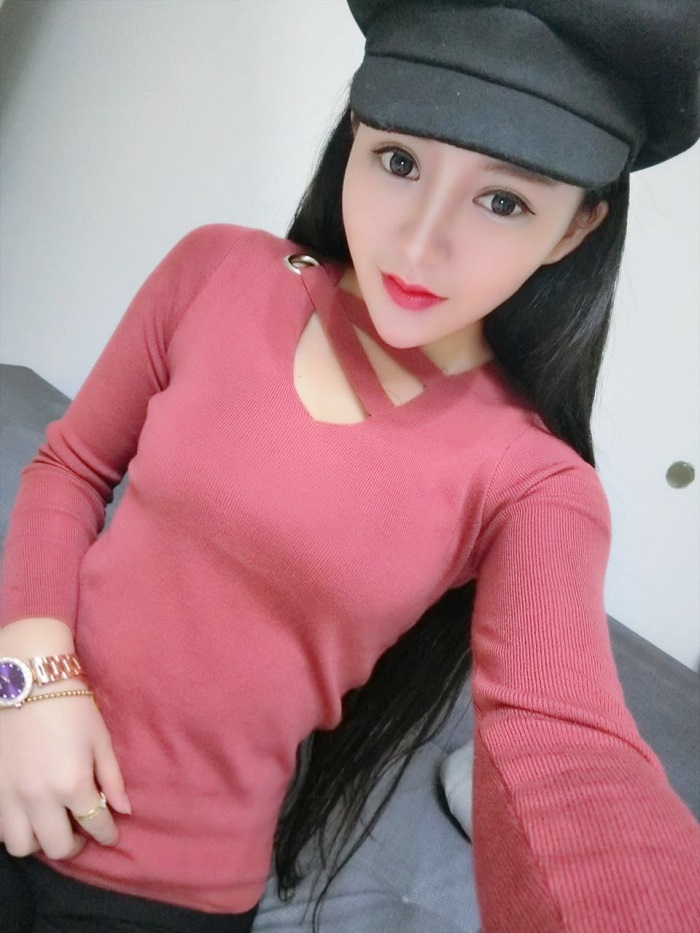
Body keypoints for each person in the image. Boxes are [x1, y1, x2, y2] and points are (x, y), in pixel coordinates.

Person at [1, 1, 699, 930]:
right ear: (354, 140)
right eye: (399, 160)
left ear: (575, 231)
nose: (418, 241)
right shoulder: (217, 271)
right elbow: (70, 465)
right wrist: (30, 681)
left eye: (505, 201)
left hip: (164, 898)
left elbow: (566, 746)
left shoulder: (535, 483)